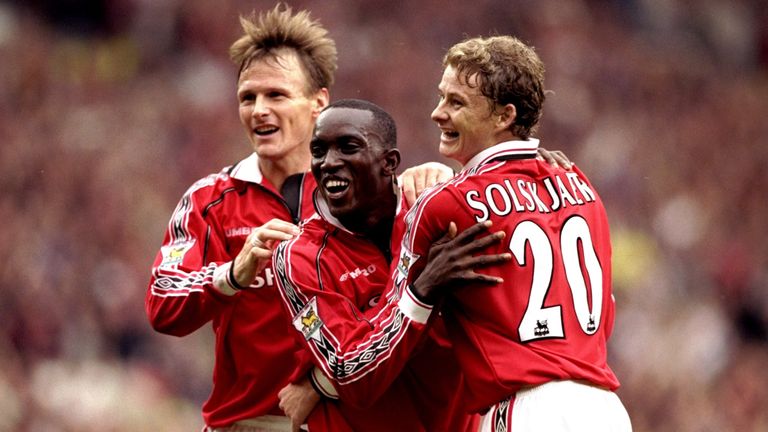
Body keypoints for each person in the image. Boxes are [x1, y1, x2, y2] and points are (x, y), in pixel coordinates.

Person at [279, 36, 632, 432]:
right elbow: (605, 314)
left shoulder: (443, 204)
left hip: (523, 408)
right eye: (441, 97)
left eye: (456, 102)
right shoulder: (580, 186)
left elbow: (378, 344)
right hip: (604, 409)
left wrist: (319, 382)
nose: (437, 113)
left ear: (504, 116)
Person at [145, 5, 454, 431]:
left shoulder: (367, 197)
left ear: (318, 103)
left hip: (351, 414)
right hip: (252, 422)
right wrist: (233, 274)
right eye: (247, 97)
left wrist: (446, 178)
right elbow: (163, 306)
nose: (258, 110)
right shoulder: (209, 200)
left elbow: (405, 311)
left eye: (276, 95)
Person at [272, 99, 511, 431]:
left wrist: (538, 156)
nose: (328, 162)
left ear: (389, 163)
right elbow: (352, 373)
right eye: (318, 150)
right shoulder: (299, 256)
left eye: (347, 147)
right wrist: (422, 289)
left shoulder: (436, 213)